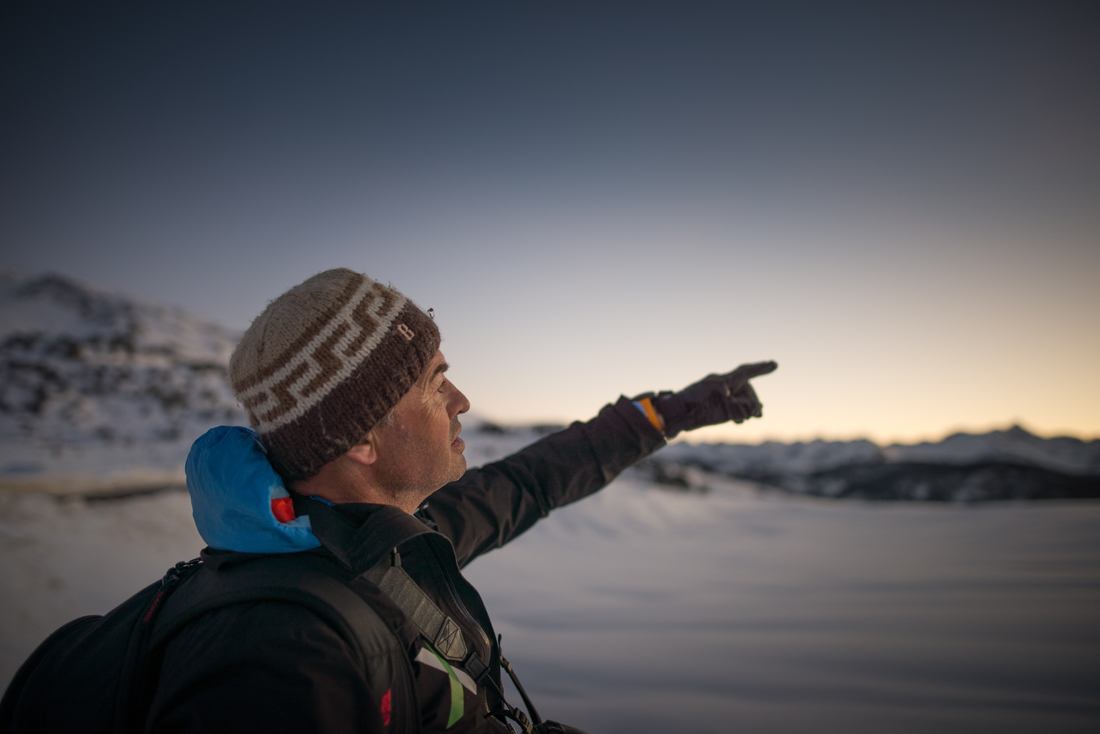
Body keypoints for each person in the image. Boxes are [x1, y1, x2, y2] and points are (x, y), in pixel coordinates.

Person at [148, 268, 777, 733]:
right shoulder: (287, 660)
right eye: (435, 383)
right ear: (363, 438)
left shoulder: (378, 538)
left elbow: (529, 482)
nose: (462, 401)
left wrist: (662, 414)